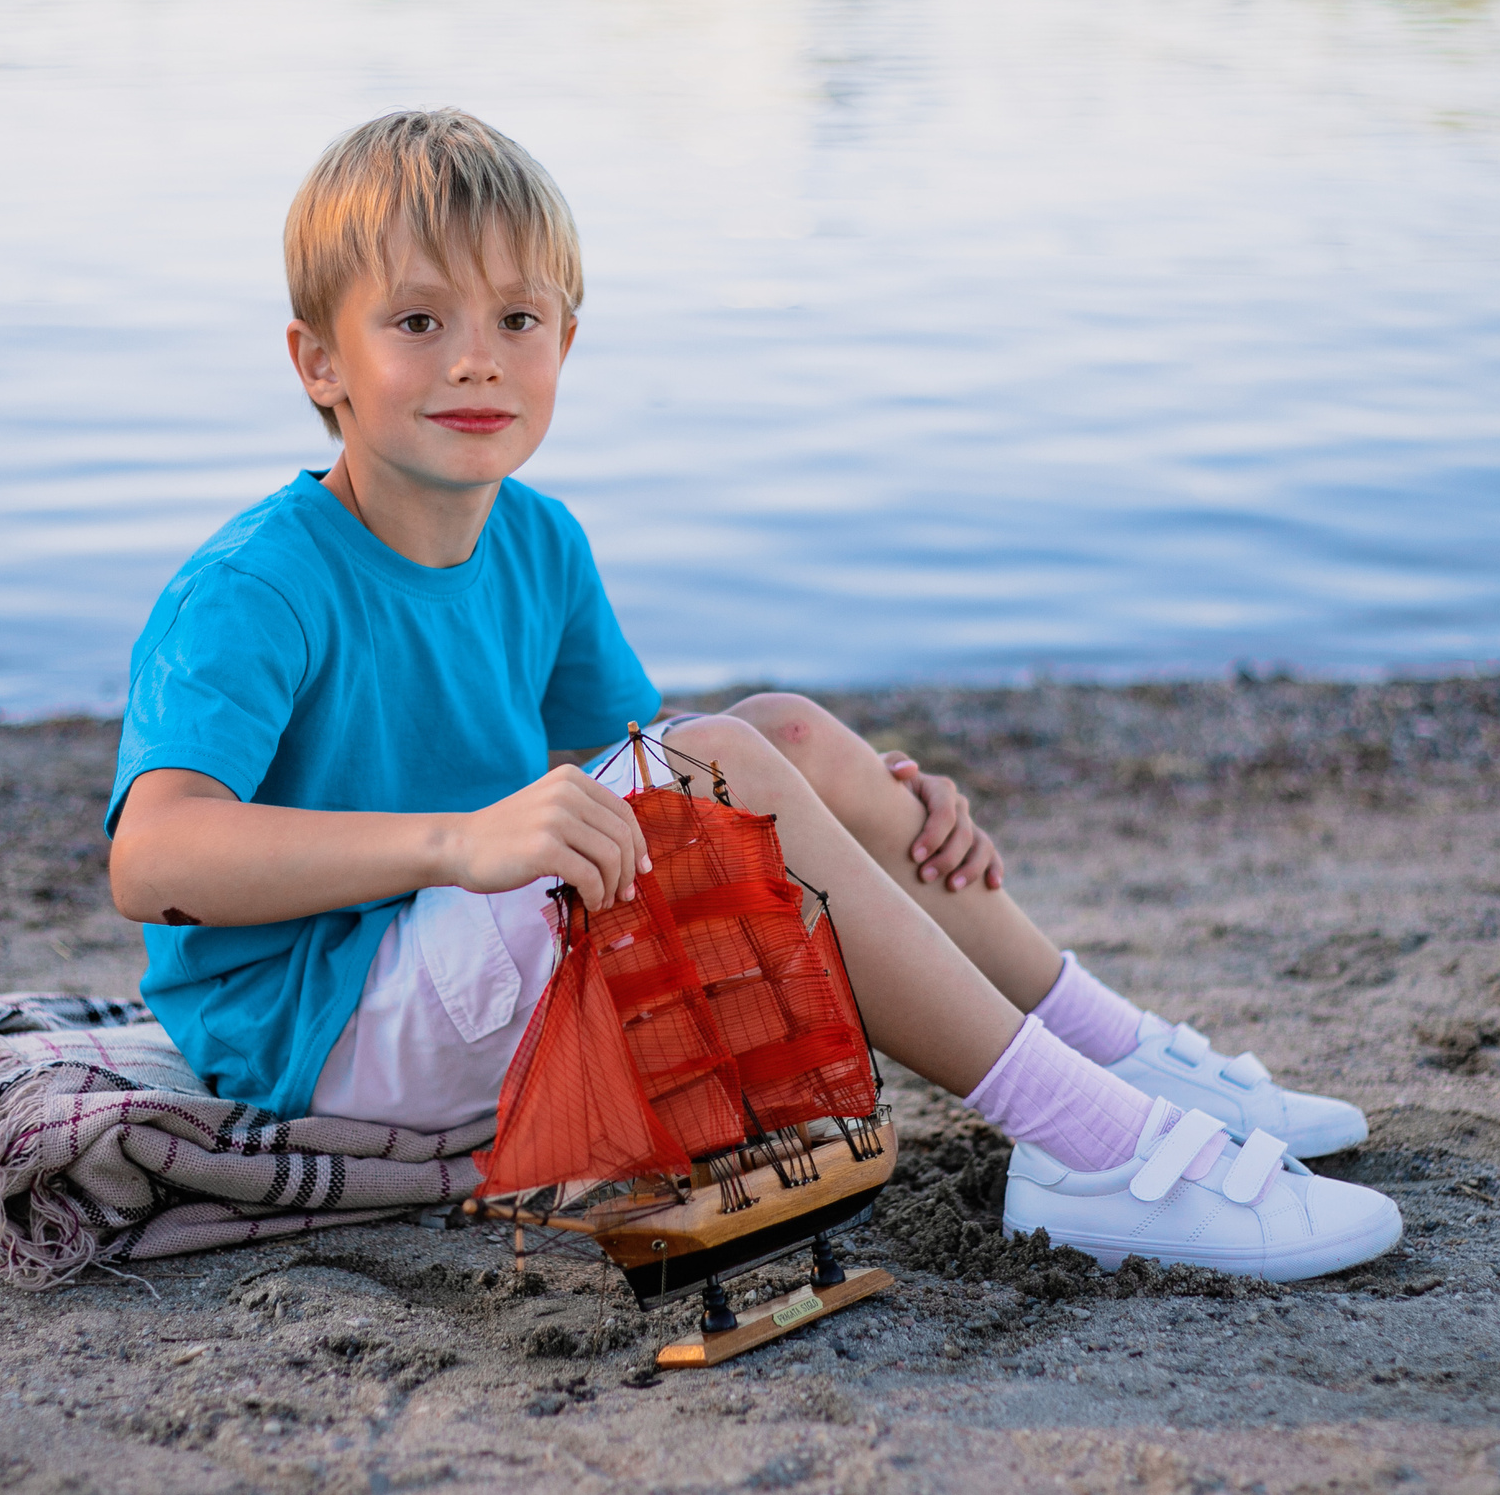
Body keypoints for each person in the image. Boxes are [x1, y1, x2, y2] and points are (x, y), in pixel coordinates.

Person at [104, 109, 1400, 1282]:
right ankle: (1089, 1145)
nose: (478, 362)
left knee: (779, 734)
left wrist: (867, 812)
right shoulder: (257, 586)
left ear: (567, 343)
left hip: (459, 966)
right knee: (722, 758)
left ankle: (1113, 1054)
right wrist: (460, 842)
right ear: (318, 362)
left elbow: (660, 770)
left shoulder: (538, 539)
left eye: (518, 321)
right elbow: (152, 860)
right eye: (418, 323)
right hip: (325, 1034)